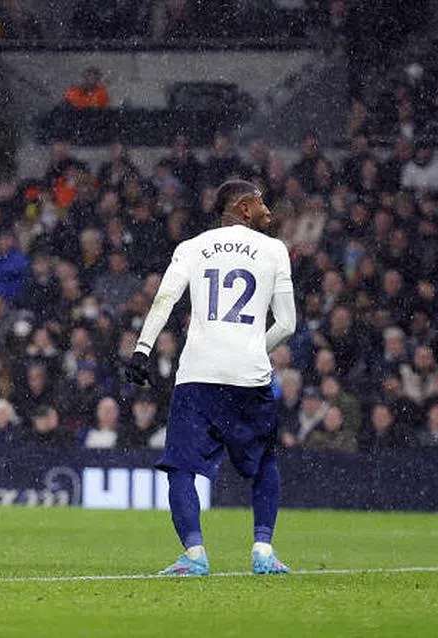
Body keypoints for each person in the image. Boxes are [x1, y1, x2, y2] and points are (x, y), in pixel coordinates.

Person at [125, 179, 296, 576]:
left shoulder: (192, 247)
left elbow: (164, 299)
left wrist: (142, 349)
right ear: (243, 208)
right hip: (249, 376)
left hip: (198, 374)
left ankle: (194, 554)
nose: (268, 210)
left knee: (181, 467)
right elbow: (287, 323)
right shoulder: (275, 250)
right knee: (263, 461)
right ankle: (263, 552)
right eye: (261, 202)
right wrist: (253, 347)